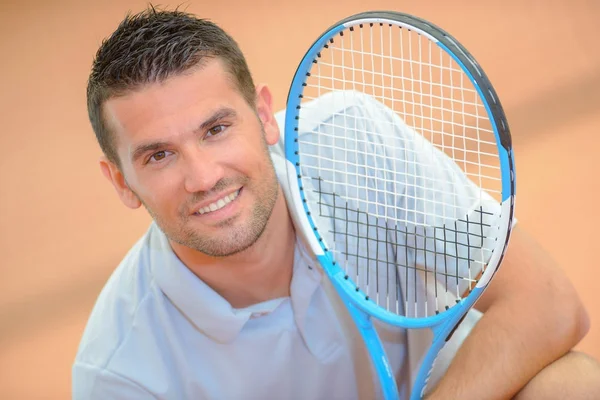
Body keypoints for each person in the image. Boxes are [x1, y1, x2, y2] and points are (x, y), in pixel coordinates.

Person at [73, 7, 600, 400]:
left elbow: (548, 304)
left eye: (216, 129)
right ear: (121, 182)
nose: (203, 177)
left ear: (264, 116)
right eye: (160, 155)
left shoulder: (351, 142)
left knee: (573, 386)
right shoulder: (120, 374)